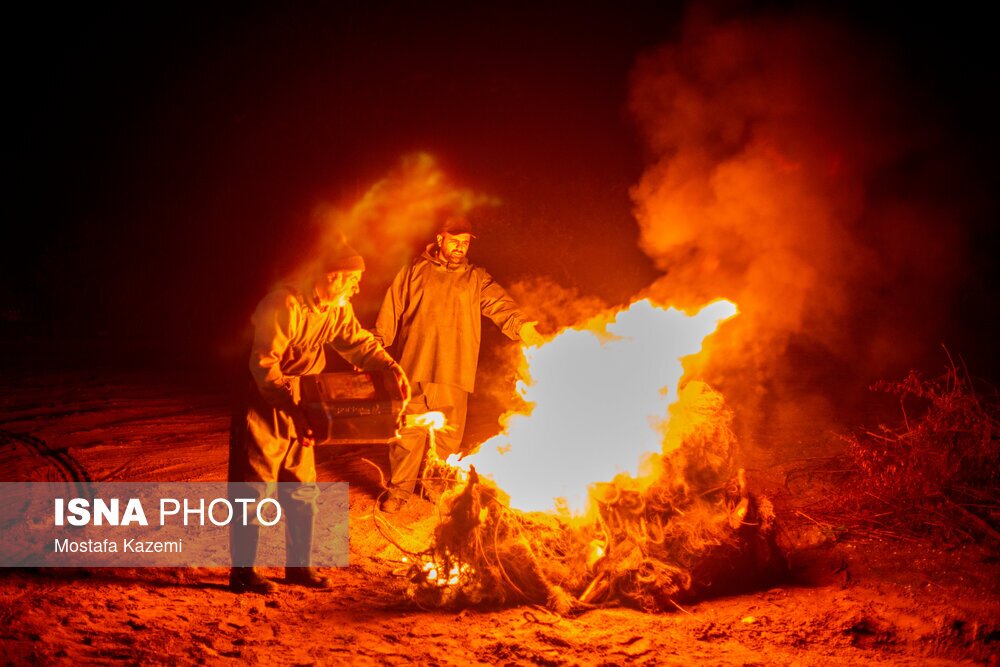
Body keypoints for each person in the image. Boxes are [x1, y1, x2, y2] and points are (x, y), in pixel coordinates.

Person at [229, 242, 410, 594]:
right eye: (353, 280)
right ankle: (243, 572)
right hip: (267, 403)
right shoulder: (283, 305)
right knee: (253, 488)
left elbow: (357, 343)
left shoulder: (336, 309)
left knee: (301, 489)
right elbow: (264, 366)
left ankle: (299, 567)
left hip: (306, 401)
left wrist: (390, 367)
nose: (357, 287)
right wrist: (292, 409)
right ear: (331, 276)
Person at [374, 215, 543, 512]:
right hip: (414, 365)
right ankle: (399, 490)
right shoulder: (414, 271)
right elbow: (392, 305)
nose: (460, 247)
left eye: (465, 243)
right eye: (455, 241)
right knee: (407, 433)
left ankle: (435, 488)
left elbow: (499, 304)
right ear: (440, 239)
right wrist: (378, 339)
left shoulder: (475, 278)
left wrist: (522, 327)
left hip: (455, 368)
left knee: (448, 435)